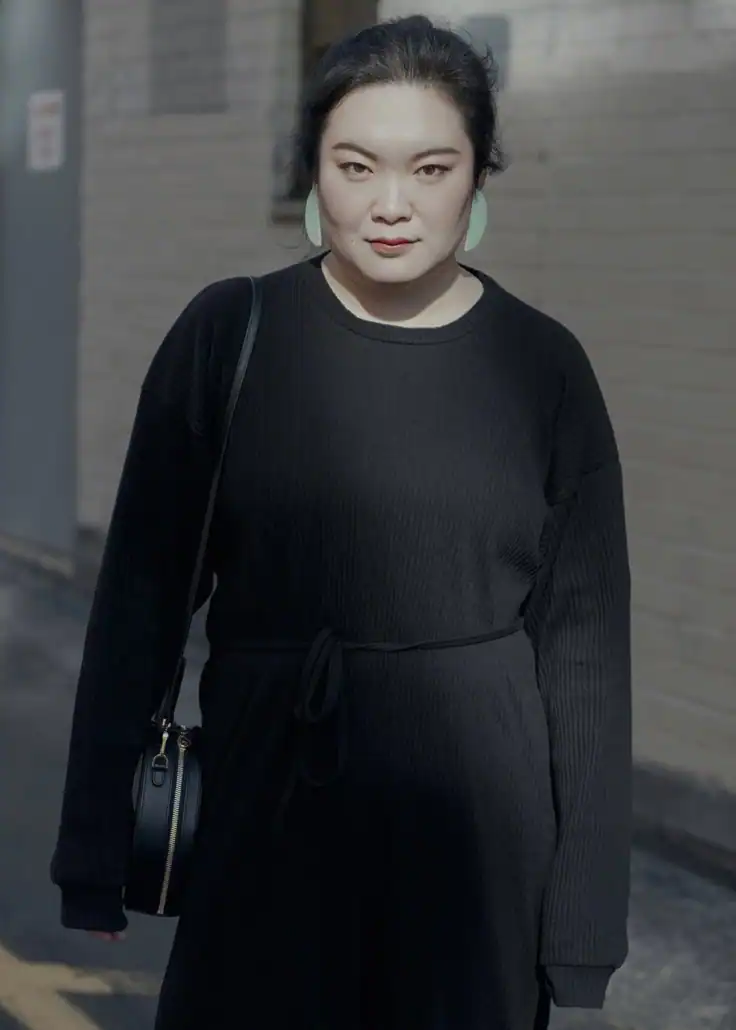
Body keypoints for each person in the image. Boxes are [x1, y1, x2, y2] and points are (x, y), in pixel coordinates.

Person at [50, 14, 632, 1030]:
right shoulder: (228, 335)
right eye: (356, 166)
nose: (391, 204)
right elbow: (140, 601)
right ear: (313, 173)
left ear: (478, 176)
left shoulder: (545, 369)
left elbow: (582, 659)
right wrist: (96, 851)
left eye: (431, 167)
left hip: (476, 845)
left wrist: (581, 933)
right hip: (265, 814)